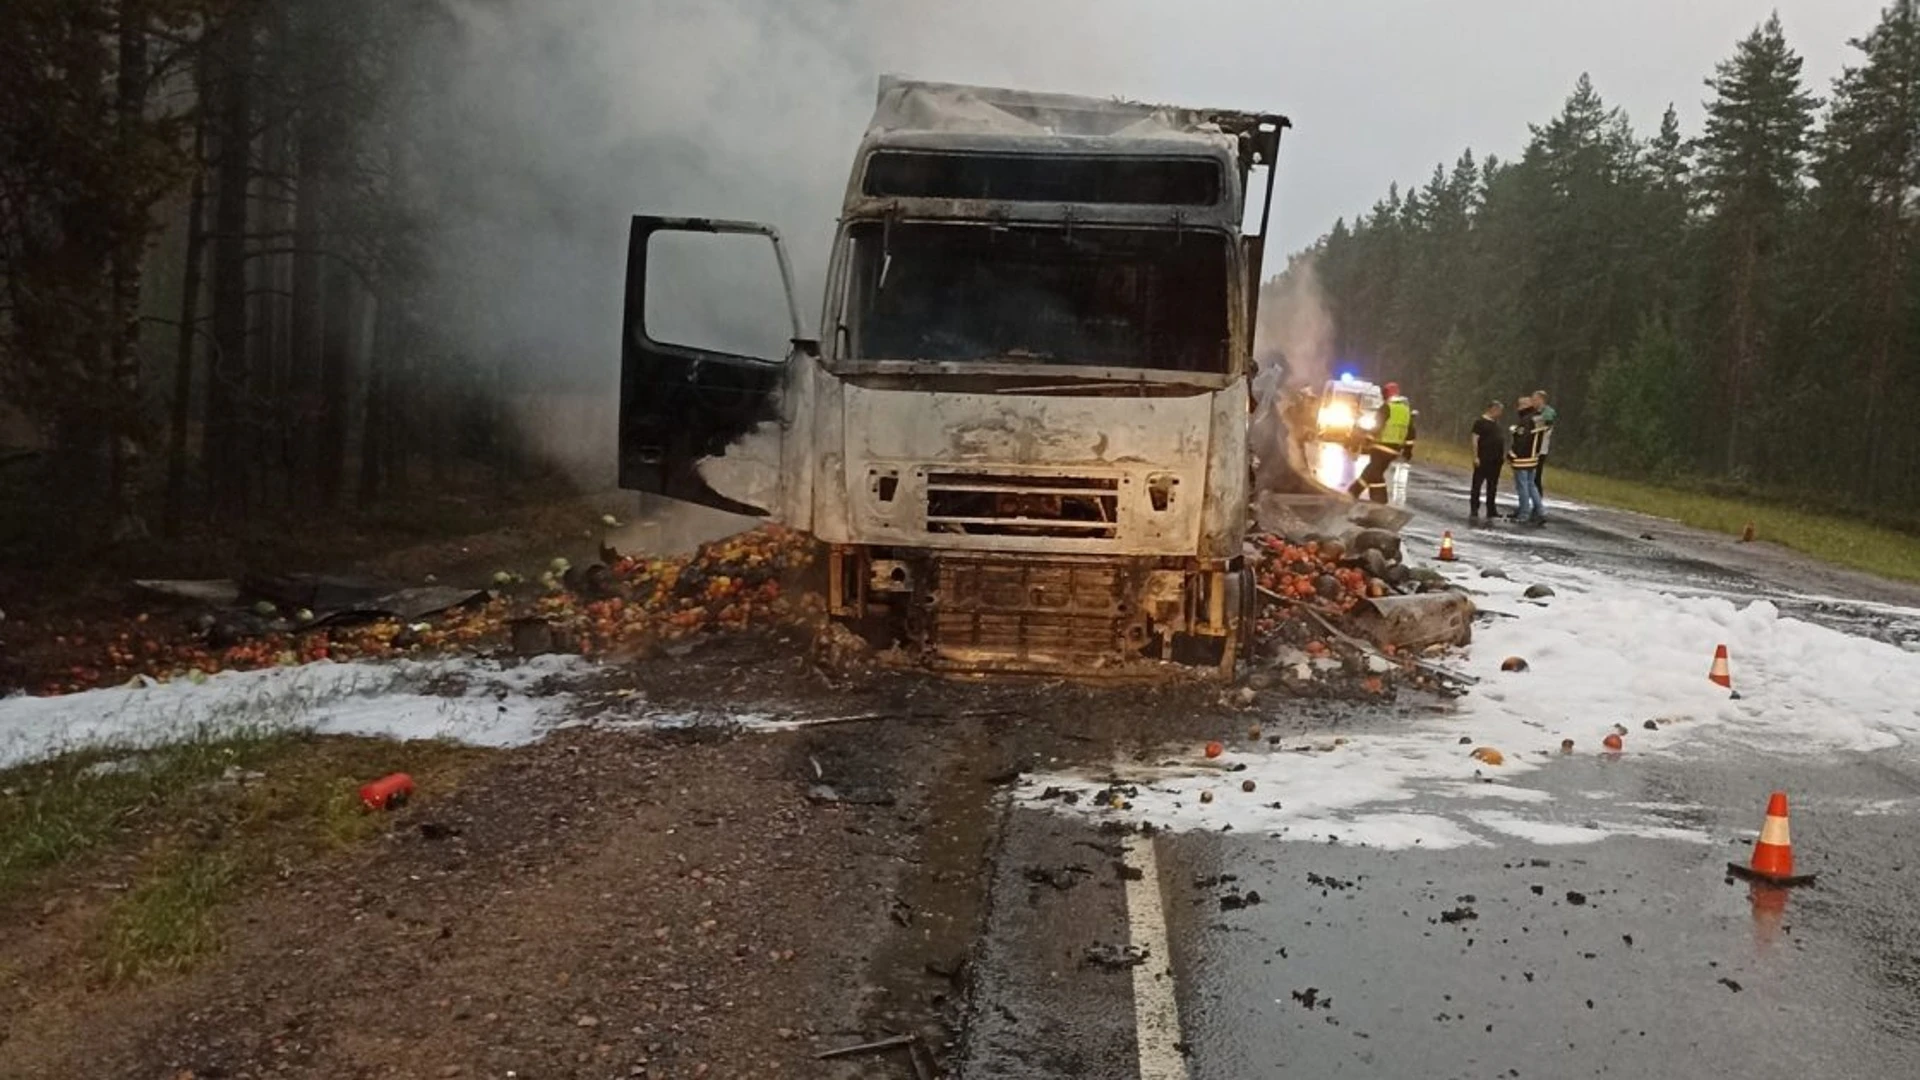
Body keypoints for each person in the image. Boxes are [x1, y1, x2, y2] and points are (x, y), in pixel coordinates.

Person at [1347, 380, 1415, 504]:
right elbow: (1411, 433)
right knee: (1373, 472)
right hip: (1394, 450)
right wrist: (1407, 451)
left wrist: (1366, 441)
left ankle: (1361, 496)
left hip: (1380, 446)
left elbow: (1377, 426)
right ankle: (1364, 497)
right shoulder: (1406, 411)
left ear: (1386, 394)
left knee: (1373, 472)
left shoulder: (1386, 407)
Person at [1509, 395, 1545, 526]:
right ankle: (1540, 512)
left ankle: (1524, 513)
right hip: (1534, 457)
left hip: (1523, 458)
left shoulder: (1525, 420)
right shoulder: (1539, 418)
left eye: (1520, 405)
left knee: (1522, 486)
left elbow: (1522, 439)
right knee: (1531, 485)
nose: (1518, 409)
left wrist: (1512, 454)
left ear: (1525, 406)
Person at [1468, 400, 1505, 525]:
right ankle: (1474, 508)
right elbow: (1475, 440)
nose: (1500, 413)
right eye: (1499, 410)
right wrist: (1476, 456)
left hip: (1496, 460)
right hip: (1483, 458)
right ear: (1492, 409)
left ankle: (1491, 509)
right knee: (1477, 484)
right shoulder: (1480, 422)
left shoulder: (1496, 424)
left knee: (1492, 485)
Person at [1531, 390, 1557, 504]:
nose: (1533, 402)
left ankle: (1538, 504)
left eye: (1535, 399)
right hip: (1530, 448)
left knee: (1536, 478)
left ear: (1541, 400)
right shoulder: (1533, 411)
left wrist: (1535, 420)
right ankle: (1530, 503)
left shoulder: (1548, 411)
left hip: (1540, 449)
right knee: (1528, 478)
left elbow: (1547, 421)